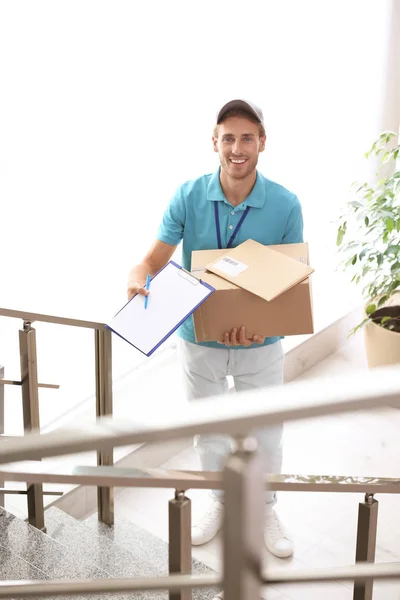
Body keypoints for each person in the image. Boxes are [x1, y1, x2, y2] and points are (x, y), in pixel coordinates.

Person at [127, 99, 303, 560]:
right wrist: (137, 277)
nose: (237, 148)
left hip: (260, 342)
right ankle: (220, 501)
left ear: (262, 143)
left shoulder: (285, 204)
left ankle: (265, 506)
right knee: (209, 430)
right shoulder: (188, 195)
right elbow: (152, 260)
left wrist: (260, 327)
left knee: (264, 430)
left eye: (248, 138)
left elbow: (288, 279)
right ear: (214, 142)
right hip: (198, 338)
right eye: (229, 138)